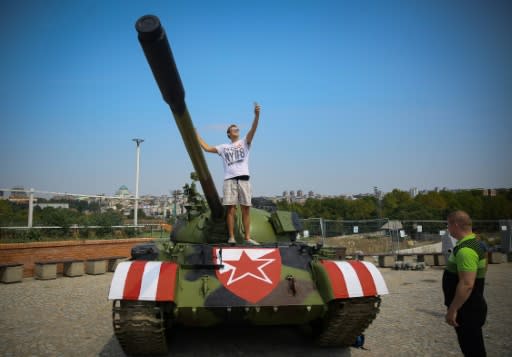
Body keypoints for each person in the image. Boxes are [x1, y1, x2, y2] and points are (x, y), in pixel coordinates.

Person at [196, 102, 261, 245]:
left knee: (246, 209)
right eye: (233, 129)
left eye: (237, 128)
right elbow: (206, 148)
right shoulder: (223, 147)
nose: (237, 130)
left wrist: (257, 116)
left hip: (244, 179)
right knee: (230, 209)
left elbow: (253, 129)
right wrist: (195, 134)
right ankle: (231, 237)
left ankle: (247, 237)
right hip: (229, 180)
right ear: (228, 134)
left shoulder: (245, 142)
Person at [442, 210, 488, 357]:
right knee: (473, 347)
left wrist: (453, 309)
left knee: (472, 350)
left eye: (448, 225)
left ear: (455, 225)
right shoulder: (477, 244)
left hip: (466, 309)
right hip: (472, 305)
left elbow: (467, 283)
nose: (448, 229)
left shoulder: (466, 250)